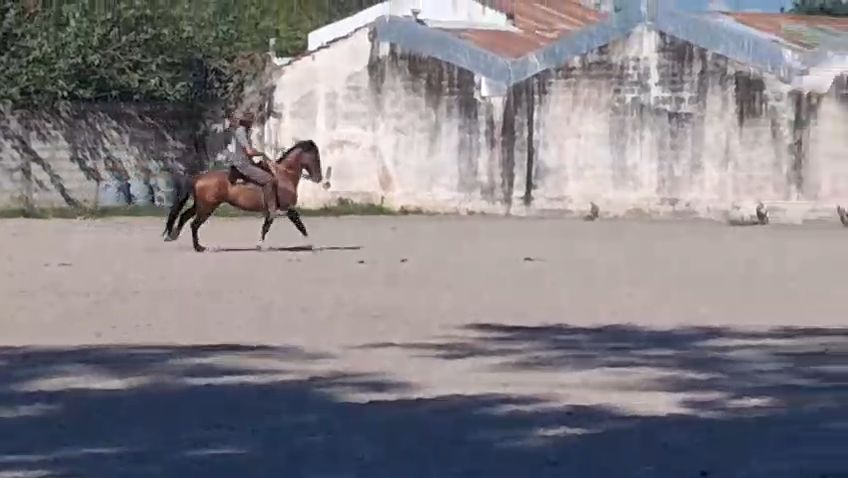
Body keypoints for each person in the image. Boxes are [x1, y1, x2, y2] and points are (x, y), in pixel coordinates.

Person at [228, 111, 278, 218]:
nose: (252, 123)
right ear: (246, 122)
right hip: (242, 164)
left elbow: (250, 150)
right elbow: (249, 152)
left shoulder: (245, 131)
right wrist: (263, 154)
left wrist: (260, 155)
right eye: (251, 121)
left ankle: (262, 203)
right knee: (269, 179)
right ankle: (271, 209)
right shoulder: (241, 132)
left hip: (245, 161)